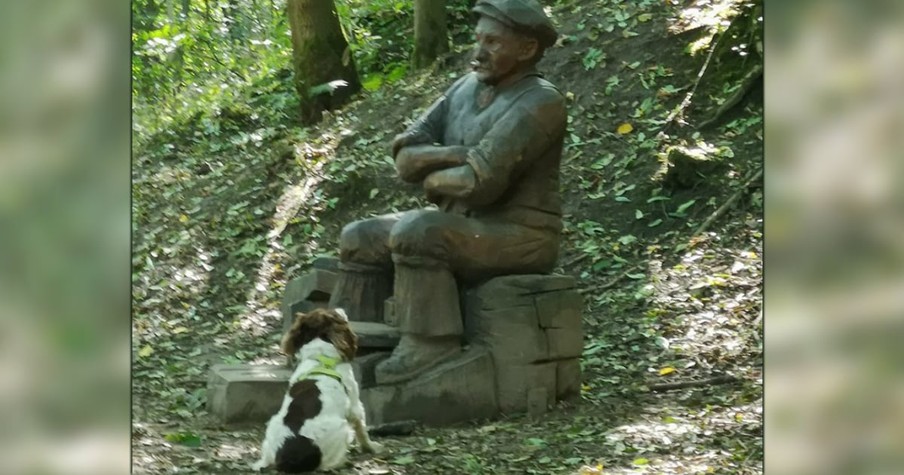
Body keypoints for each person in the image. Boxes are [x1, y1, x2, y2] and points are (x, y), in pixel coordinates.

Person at [329, 0, 566, 384]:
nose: (479, 51)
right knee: (359, 236)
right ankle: (350, 339)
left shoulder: (541, 101)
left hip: (521, 235)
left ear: (527, 49)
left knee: (419, 231)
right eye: (478, 39)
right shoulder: (464, 87)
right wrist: (455, 155)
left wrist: (432, 178)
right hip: (462, 224)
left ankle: (429, 346)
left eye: (493, 42)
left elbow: (480, 184)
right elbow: (404, 157)